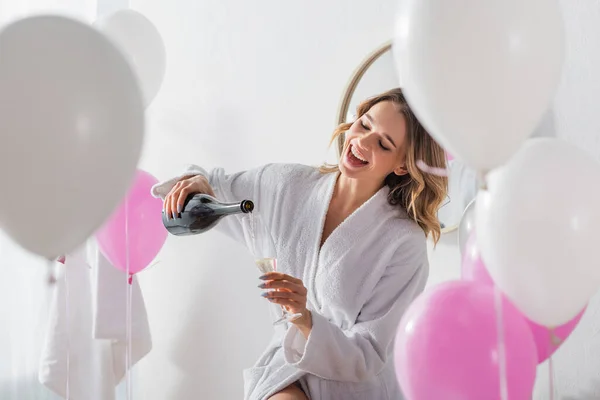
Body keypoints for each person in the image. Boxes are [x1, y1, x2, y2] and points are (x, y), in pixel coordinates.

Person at [151, 88, 448, 400]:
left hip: (356, 388)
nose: (362, 142)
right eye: (365, 125)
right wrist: (200, 186)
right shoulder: (289, 187)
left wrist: (305, 319)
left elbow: (369, 355)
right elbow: (214, 185)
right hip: (288, 370)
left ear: (402, 165)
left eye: (383, 144)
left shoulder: (403, 243)